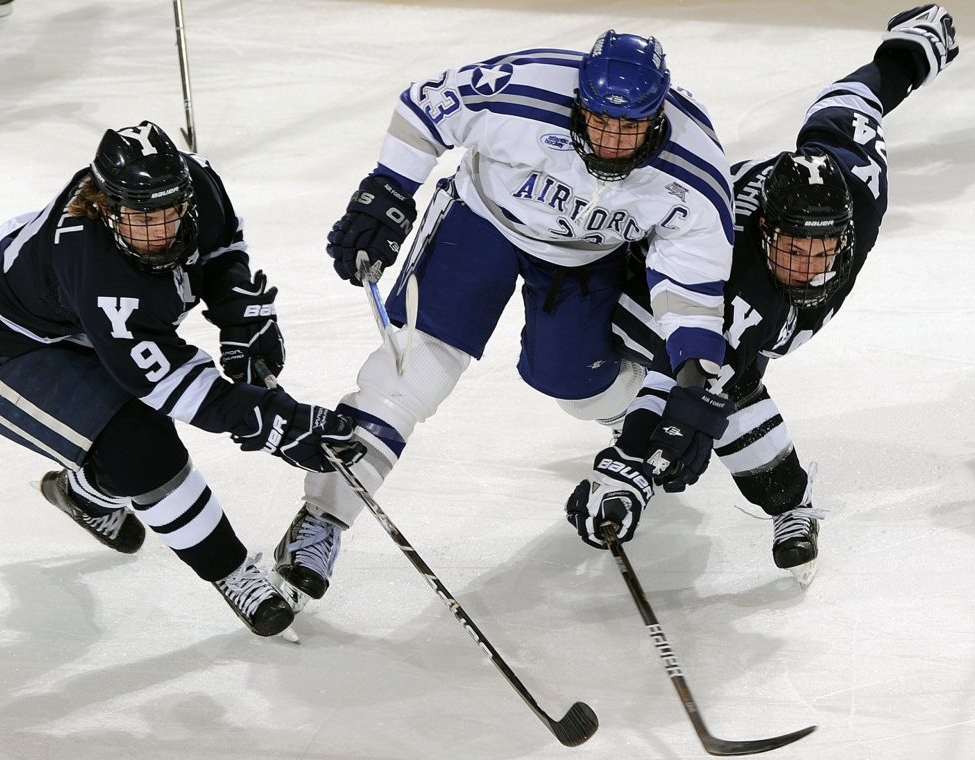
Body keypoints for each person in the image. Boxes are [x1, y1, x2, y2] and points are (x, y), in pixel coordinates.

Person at [271, 30, 737, 610]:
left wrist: (688, 387)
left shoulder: (694, 169)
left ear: (659, 114)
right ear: (578, 102)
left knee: (572, 381)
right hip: (482, 219)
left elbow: (691, 290)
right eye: (599, 120)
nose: (613, 141)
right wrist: (386, 191)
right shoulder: (525, 87)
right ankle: (324, 515)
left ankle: (629, 416)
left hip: (585, 258)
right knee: (416, 367)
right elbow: (424, 106)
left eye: (631, 126)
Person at [566, 6, 959, 588]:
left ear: (847, 233)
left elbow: (852, 102)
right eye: (792, 250)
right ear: (766, 232)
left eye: (820, 252)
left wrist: (913, 48)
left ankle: (782, 501)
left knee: (725, 378)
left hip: (735, 310)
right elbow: (693, 380)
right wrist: (632, 471)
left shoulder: (857, 183)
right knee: (711, 381)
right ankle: (787, 501)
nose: (805, 269)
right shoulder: (735, 264)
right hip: (644, 281)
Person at [0, 121, 363, 636]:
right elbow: (171, 383)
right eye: (140, 218)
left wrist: (239, 318)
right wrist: (272, 420)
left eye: (170, 213)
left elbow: (221, 250)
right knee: (141, 449)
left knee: (125, 458)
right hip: (12, 347)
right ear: (105, 206)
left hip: (77, 317)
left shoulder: (199, 183)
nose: (160, 232)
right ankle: (234, 573)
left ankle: (87, 494)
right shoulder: (94, 264)